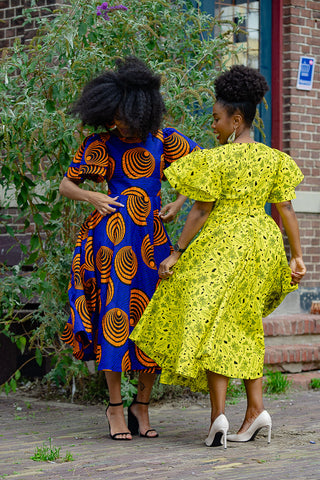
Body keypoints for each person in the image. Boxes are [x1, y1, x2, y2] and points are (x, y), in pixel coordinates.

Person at [130, 65, 306, 448]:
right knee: (242, 325)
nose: (213, 126)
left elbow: (201, 211)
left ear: (235, 120)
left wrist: (176, 253)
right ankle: (254, 411)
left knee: (211, 324)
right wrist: (297, 257)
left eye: (216, 119)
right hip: (263, 244)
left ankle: (218, 418)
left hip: (224, 245)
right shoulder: (274, 159)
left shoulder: (216, 160)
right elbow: (287, 210)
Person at [59, 56, 200, 440]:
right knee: (114, 318)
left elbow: (203, 168)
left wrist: (179, 200)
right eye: (113, 114)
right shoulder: (101, 144)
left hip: (152, 243)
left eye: (123, 114)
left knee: (152, 321)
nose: (117, 121)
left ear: (141, 109)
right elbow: (66, 186)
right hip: (112, 240)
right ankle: (116, 406)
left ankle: (142, 404)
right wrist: (93, 196)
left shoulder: (164, 142)